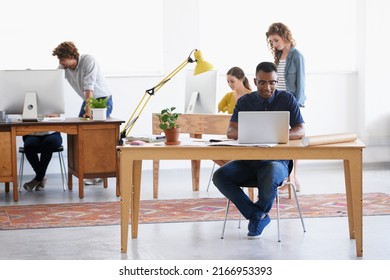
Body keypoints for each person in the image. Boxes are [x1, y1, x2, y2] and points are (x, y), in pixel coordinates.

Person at [212, 62, 305, 238]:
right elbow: (230, 131)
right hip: (249, 162)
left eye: (272, 82)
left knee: (270, 171)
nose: (267, 87)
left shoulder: (287, 99)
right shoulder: (245, 102)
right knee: (220, 176)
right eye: (262, 82)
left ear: (277, 82)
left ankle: (257, 215)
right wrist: (251, 133)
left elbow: (300, 130)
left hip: (276, 162)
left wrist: (276, 135)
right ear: (255, 81)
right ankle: (257, 215)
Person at [52, 41, 113, 185]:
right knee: (79, 137)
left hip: (102, 100)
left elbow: (89, 87)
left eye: (62, 59)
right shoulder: (63, 67)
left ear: (72, 56)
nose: (60, 62)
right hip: (88, 100)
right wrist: (53, 109)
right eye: (59, 59)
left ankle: (96, 173)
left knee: (94, 138)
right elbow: (53, 82)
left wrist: (88, 109)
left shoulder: (88, 60)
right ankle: (83, 171)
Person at [266, 22, 306, 191]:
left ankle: (294, 177)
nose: (275, 44)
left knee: (294, 140)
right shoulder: (278, 55)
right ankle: (283, 176)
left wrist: (297, 104)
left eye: (276, 40)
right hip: (277, 101)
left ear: (284, 35)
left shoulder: (297, 56)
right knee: (280, 139)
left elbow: (301, 83)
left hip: (291, 103)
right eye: (272, 41)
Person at [214, 67, 252, 166]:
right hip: (231, 136)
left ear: (241, 79)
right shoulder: (229, 96)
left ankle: (238, 170)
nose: (230, 84)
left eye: (232, 81)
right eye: (228, 81)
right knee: (210, 152)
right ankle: (236, 171)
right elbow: (215, 110)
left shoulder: (252, 96)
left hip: (245, 137)